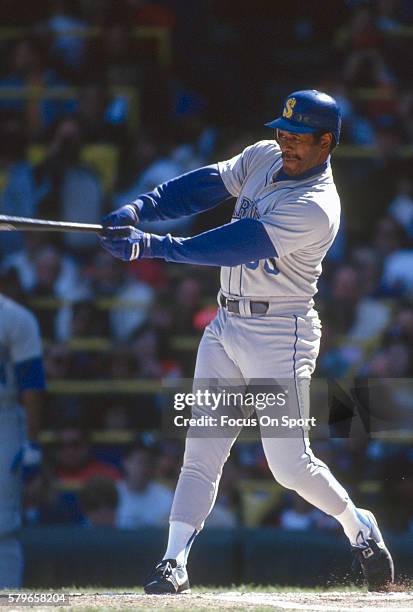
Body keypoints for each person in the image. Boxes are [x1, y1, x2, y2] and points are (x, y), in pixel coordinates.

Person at [100, 90, 394, 593]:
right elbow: (203, 186)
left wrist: (156, 246)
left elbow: (239, 243)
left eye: (299, 137)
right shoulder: (263, 155)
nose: (286, 143)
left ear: (327, 143)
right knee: (201, 449)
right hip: (225, 325)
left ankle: (357, 525)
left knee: (289, 467)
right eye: (283, 131)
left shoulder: (318, 205)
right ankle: (173, 562)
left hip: (281, 333)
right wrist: (141, 208)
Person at [0, 288, 46, 587]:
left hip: (4, 417)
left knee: (3, 524)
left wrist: (31, 444)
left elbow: (31, 383)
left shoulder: (14, 317)